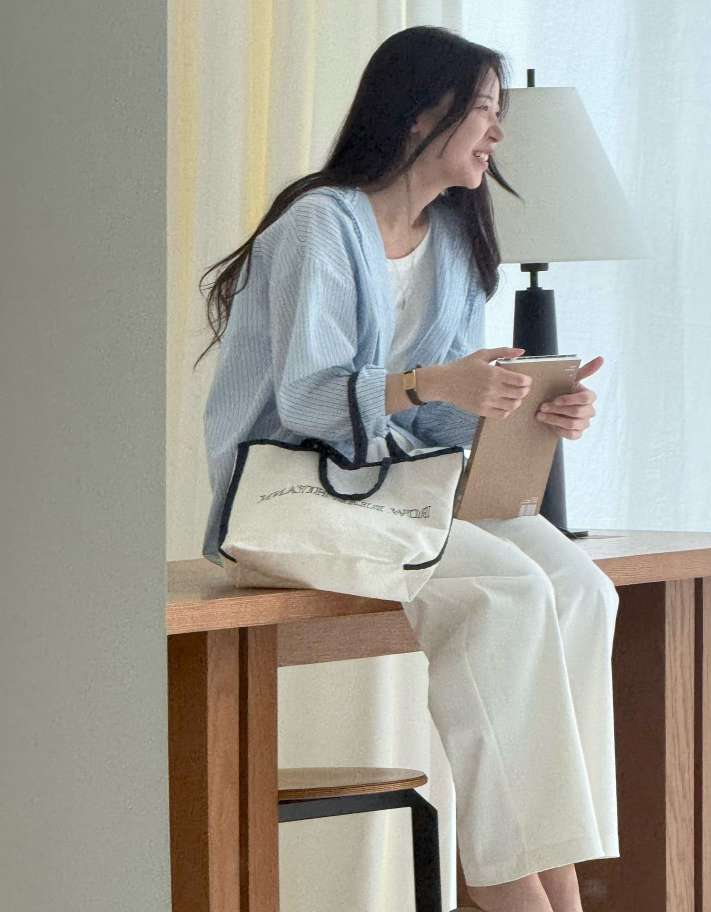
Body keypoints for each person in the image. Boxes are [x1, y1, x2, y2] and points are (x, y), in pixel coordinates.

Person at [195, 25, 619, 912]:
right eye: (484, 110)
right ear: (423, 112)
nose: (496, 133)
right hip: (288, 500)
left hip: (393, 495)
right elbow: (308, 399)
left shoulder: (455, 245)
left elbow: (433, 419)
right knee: (506, 589)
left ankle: (557, 878)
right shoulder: (320, 225)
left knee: (583, 590)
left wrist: (527, 407)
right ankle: (511, 888)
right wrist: (434, 381)